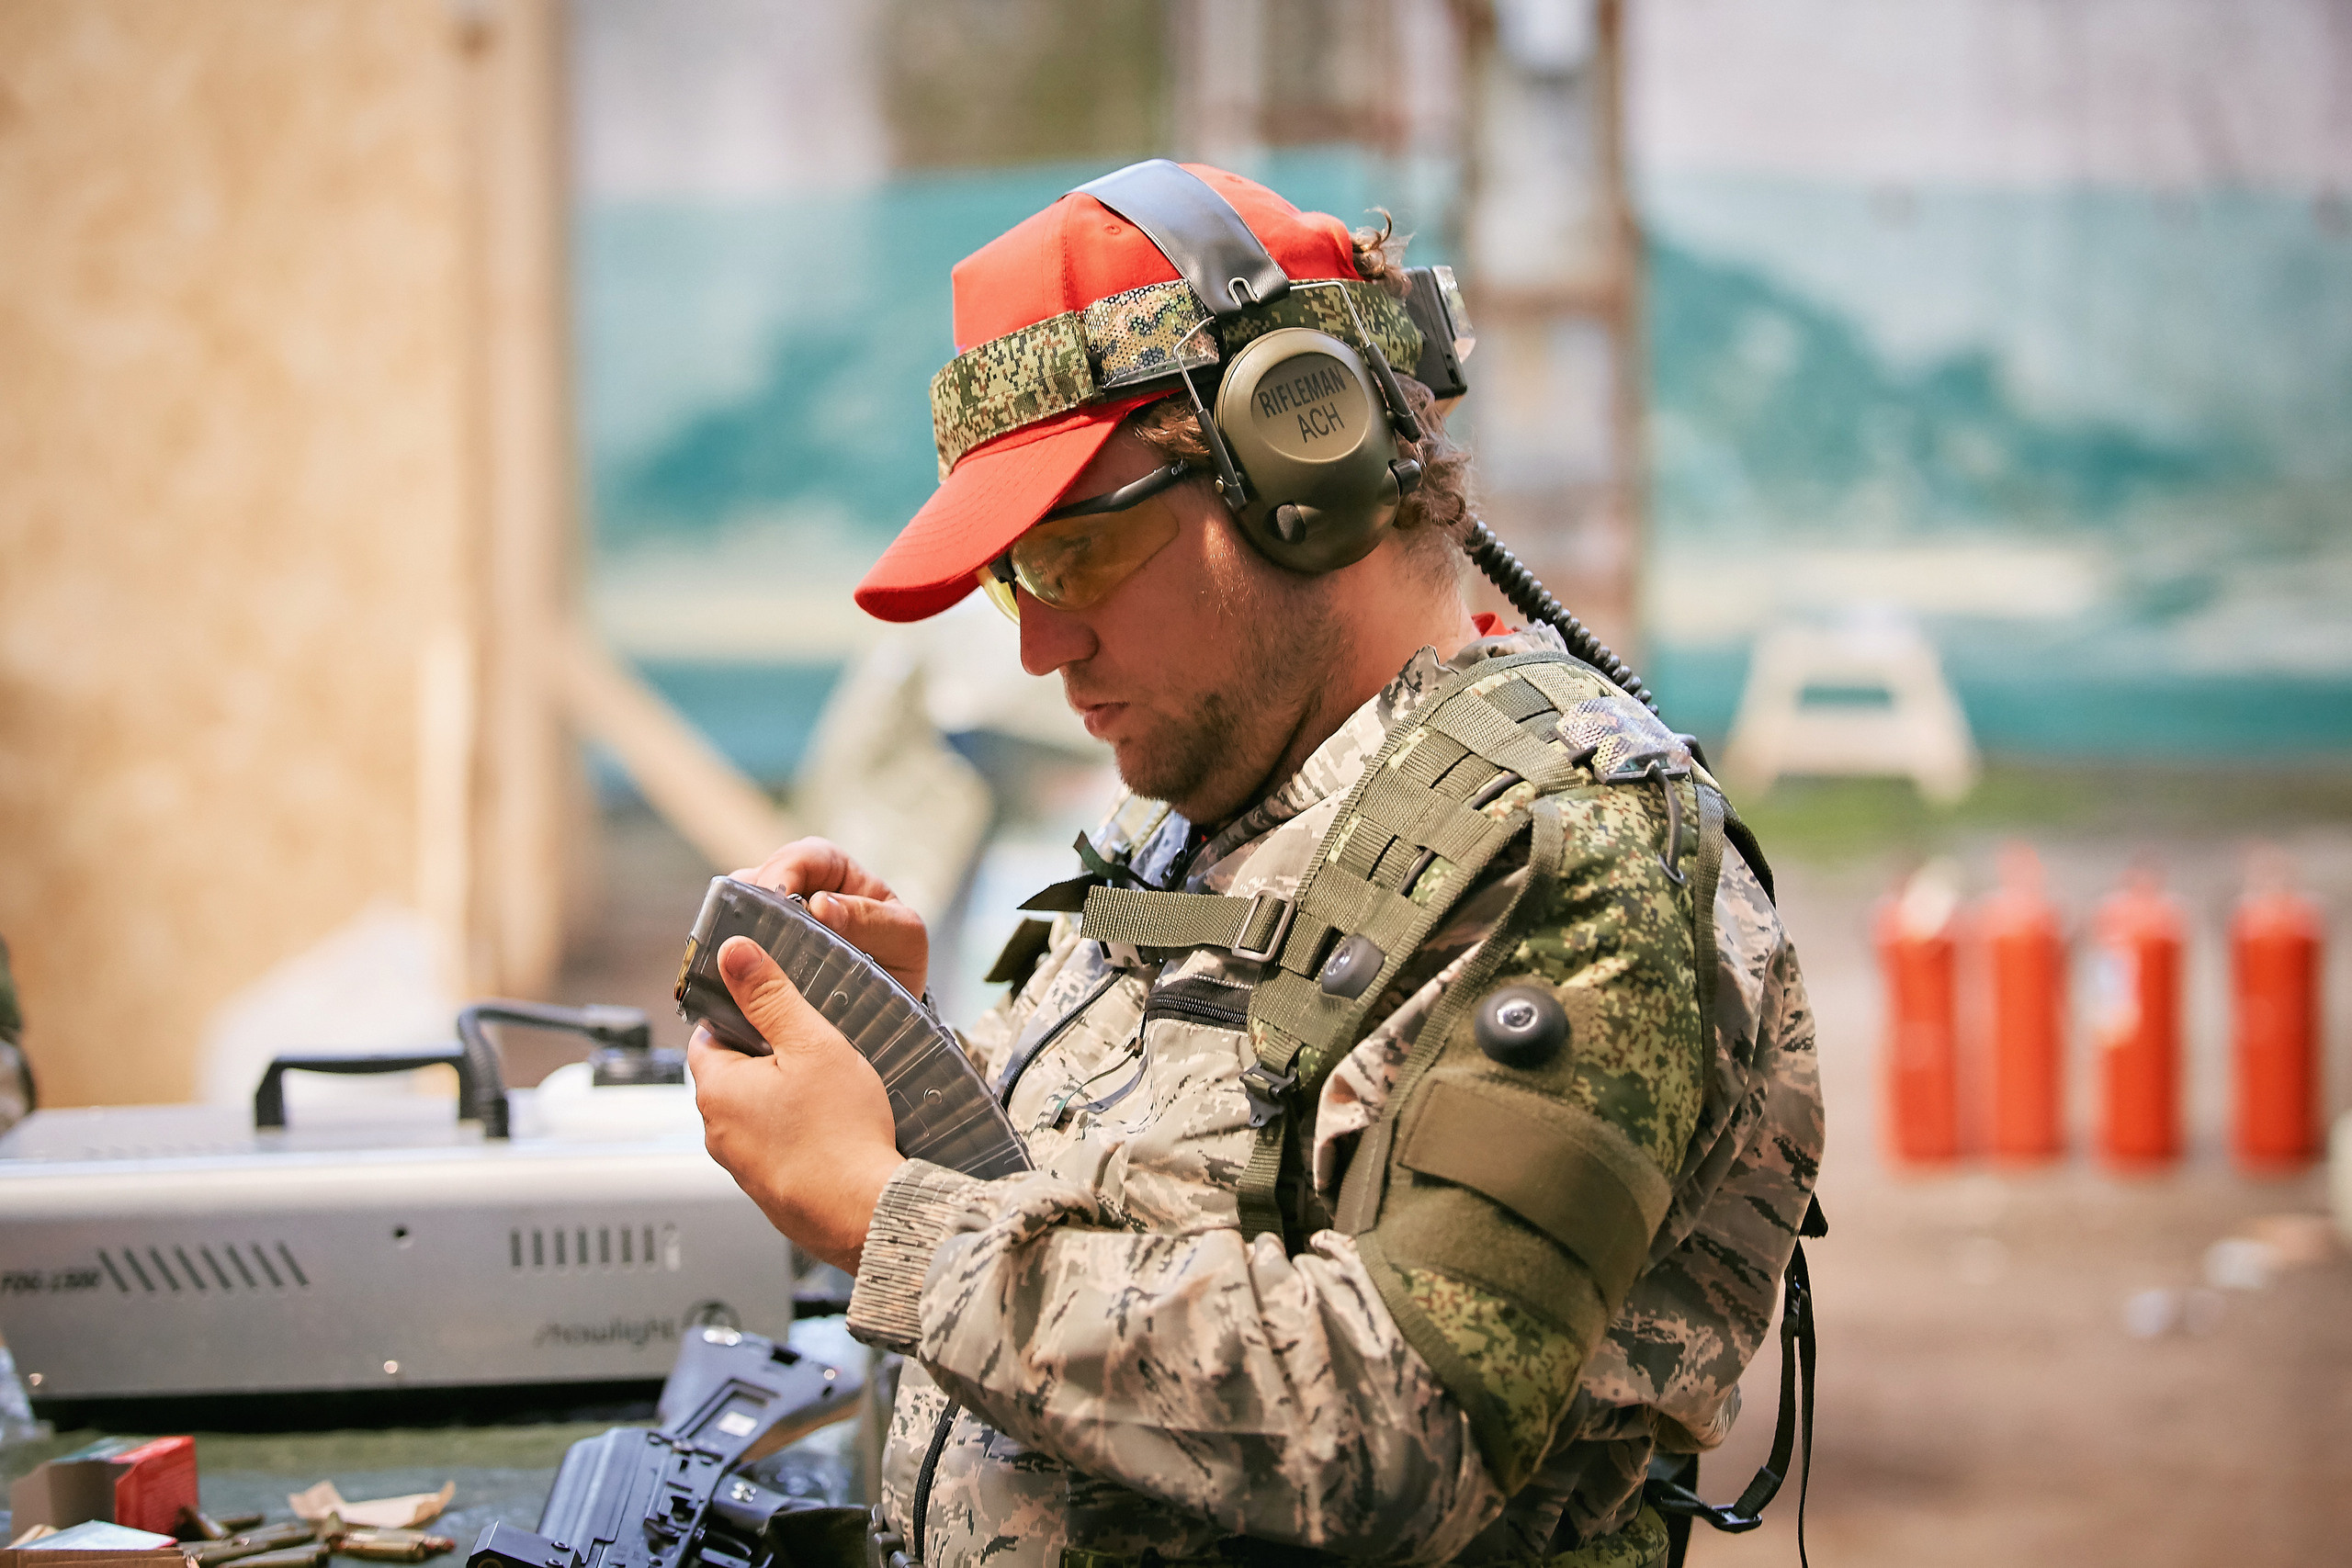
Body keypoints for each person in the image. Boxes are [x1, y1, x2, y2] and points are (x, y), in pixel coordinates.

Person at [688, 163, 1824, 1568]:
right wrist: (906, 1073)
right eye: (1012, 577)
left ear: (1299, 473)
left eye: (1076, 555)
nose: (1038, 646)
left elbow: (1408, 1429)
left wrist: (883, 1215)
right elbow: (1125, 1193)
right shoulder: (1226, 799)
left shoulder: (1573, 857)